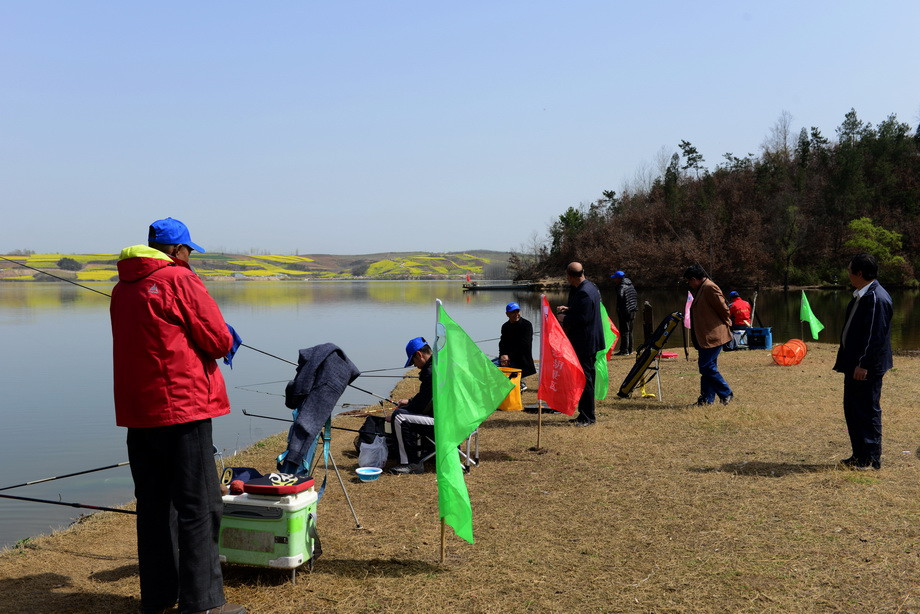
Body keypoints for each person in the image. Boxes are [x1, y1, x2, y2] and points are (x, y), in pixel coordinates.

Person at [110, 218, 246, 614]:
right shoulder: (179, 280)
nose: (190, 259)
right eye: (188, 251)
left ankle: (158, 597)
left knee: (154, 506)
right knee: (200, 506)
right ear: (175, 250)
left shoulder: (123, 287)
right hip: (183, 409)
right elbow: (217, 340)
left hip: (140, 413)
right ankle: (203, 604)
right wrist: (227, 334)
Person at [832, 253, 893, 471]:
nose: (848, 275)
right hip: (854, 366)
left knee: (867, 411)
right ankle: (858, 455)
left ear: (859, 273)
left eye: (850, 271)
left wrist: (863, 365)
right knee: (853, 409)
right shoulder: (862, 295)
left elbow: (874, 337)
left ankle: (871, 459)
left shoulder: (876, 298)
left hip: (866, 368)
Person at [555, 262, 604, 426]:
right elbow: (584, 311)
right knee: (585, 378)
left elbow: (583, 319)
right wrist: (569, 309)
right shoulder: (590, 287)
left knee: (585, 379)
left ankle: (588, 416)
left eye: (567, 277)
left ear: (570, 276)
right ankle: (583, 414)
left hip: (585, 342)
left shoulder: (584, 292)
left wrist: (564, 318)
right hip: (589, 341)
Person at [684, 264, 733, 406]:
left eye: (689, 281)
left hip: (714, 335)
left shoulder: (709, 287)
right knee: (707, 367)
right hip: (705, 336)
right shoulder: (702, 288)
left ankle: (726, 392)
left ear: (694, 279)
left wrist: (725, 322)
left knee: (706, 367)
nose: (689, 284)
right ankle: (707, 399)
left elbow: (724, 309)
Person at [388, 337, 434, 474]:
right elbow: (427, 398)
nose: (415, 365)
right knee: (403, 412)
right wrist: (409, 401)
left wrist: (402, 410)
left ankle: (410, 463)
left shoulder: (430, 372)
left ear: (419, 355)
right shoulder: (441, 364)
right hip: (457, 419)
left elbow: (420, 406)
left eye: (413, 361)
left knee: (399, 417)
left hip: (444, 423)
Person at [498, 302, 536, 390]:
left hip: (522, 360)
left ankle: (520, 383)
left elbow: (525, 346)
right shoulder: (505, 326)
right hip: (507, 358)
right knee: (491, 367)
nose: (516, 314)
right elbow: (502, 343)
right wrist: (502, 355)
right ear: (507, 314)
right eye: (513, 312)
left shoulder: (527, 325)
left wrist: (508, 356)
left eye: (517, 311)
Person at [610, 270, 638, 355]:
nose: (615, 280)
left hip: (625, 311)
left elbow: (620, 296)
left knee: (624, 331)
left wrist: (618, 309)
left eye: (615, 278)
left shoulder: (621, 286)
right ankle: (630, 349)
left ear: (619, 278)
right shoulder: (630, 285)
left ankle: (624, 350)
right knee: (630, 331)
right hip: (633, 310)